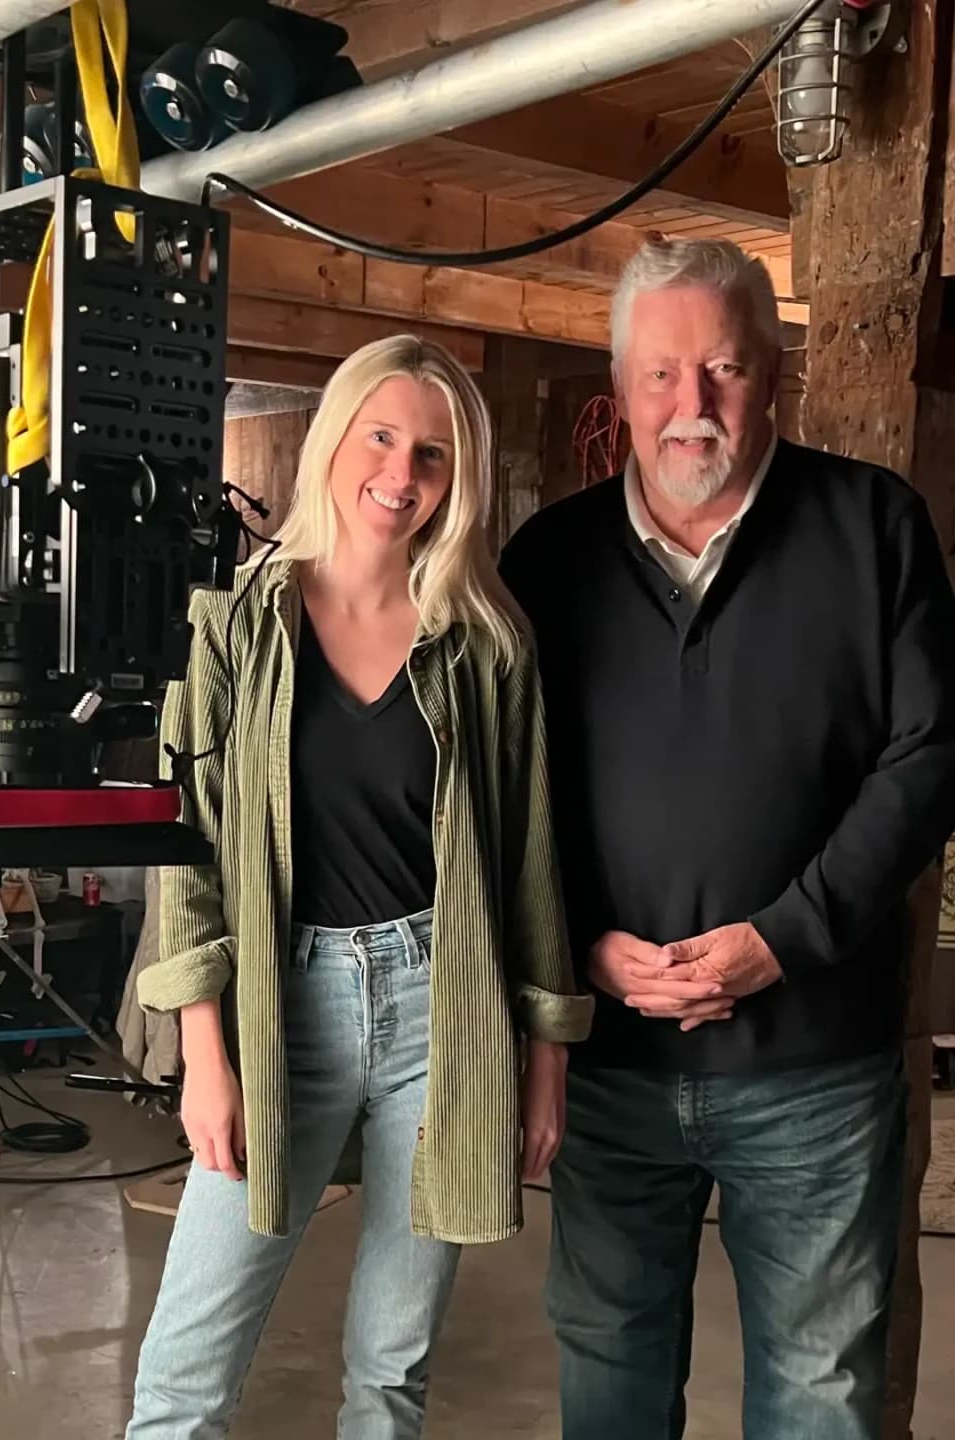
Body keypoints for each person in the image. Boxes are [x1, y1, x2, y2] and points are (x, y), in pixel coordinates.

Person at [502, 236, 955, 1438]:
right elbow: (508, 791)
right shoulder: (545, 563)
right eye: (659, 375)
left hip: (811, 1064)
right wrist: (584, 944)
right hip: (609, 1066)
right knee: (607, 1367)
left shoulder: (872, 528)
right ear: (619, 392)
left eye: (723, 370)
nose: (689, 406)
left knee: (821, 1390)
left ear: (774, 373)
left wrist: (781, 939)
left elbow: (928, 759)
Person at [125, 334, 592, 1439]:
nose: (401, 472)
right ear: (333, 438)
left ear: (457, 478)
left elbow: (529, 866)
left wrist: (543, 1063)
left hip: (445, 1006)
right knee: (181, 1381)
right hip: (281, 1005)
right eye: (380, 436)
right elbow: (185, 851)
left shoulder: (485, 645)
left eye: (432, 453)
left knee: (390, 1372)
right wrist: (202, 1052)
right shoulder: (234, 626)